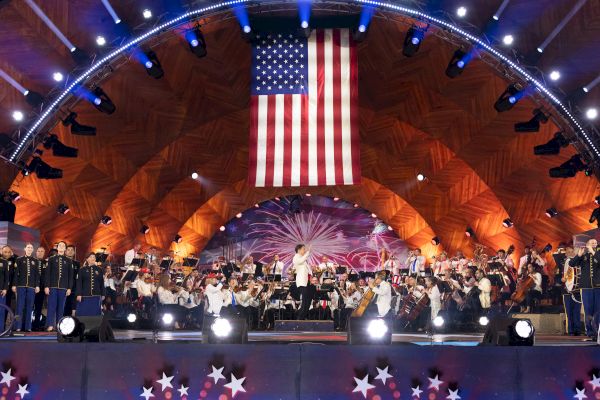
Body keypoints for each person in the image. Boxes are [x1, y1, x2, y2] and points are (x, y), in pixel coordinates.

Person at [569, 239, 600, 338]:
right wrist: (578, 255)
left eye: (595, 243)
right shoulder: (584, 256)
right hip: (586, 287)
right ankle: (589, 332)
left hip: (598, 286)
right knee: (588, 309)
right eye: (592, 243)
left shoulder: (598, 254)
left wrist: (593, 251)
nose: (594, 244)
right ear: (587, 245)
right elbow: (571, 264)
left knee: (598, 310)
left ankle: (597, 331)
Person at [45, 241, 74, 331]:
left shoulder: (68, 261)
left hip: (64, 287)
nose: (61, 247)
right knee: (51, 306)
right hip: (53, 287)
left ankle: (59, 325)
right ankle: (50, 325)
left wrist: (69, 288)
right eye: (60, 245)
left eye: (63, 246)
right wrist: (46, 286)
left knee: (61, 307)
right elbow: (48, 274)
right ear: (57, 248)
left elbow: (70, 276)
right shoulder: (51, 259)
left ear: (65, 249)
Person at [12, 243, 41, 332]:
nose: (29, 249)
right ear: (25, 249)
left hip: (31, 287)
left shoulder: (35, 261)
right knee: (19, 307)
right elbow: (16, 273)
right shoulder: (19, 259)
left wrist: (37, 285)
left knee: (30, 307)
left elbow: (37, 274)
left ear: (32, 250)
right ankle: (18, 326)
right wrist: (14, 284)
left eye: (31, 248)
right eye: (28, 247)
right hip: (21, 286)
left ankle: (28, 327)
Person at [561, 245, 581, 336]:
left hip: (577, 290)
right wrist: (563, 279)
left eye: (570, 251)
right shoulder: (564, 262)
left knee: (577, 311)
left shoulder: (579, 261)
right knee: (569, 312)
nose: (569, 253)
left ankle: (578, 330)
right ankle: (570, 330)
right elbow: (565, 276)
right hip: (567, 290)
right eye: (567, 252)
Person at [293, 244, 312, 320]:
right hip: (301, 282)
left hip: (305, 282)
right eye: (304, 249)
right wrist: (308, 252)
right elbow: (301, 261)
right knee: (304, 301)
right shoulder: (296, 257)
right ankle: (299, 317)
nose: (305, 251)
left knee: (307, 301)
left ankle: (301, 315)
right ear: (299, 250)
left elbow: (307, 269)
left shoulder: (302, 258)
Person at [33, 246, 46, 330]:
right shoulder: (32, 261)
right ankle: (26, 325)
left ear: (44, 253)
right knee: (29, 307)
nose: (40, 252)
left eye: (42, 251)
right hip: (31, 288)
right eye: (38, 251)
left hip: (42, 289)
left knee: (39, 307)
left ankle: (36, 325)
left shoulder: (47, 262)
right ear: (36, 252)